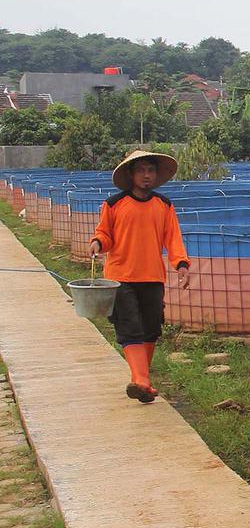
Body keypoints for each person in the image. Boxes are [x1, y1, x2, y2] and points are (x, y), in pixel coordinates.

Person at [88, 150, 191, 403]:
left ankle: (141, 380)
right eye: (142, 170)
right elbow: (106, 233)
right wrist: (98, 242)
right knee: (130, 327)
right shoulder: (114, 204)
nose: (147, 175)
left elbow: (173, 238)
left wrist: (181, 264)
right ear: (131, 174)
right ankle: (142, 380)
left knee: (151, 328)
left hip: (152, 276)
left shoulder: (164, 205)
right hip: (120, 277)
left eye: (151, 170)